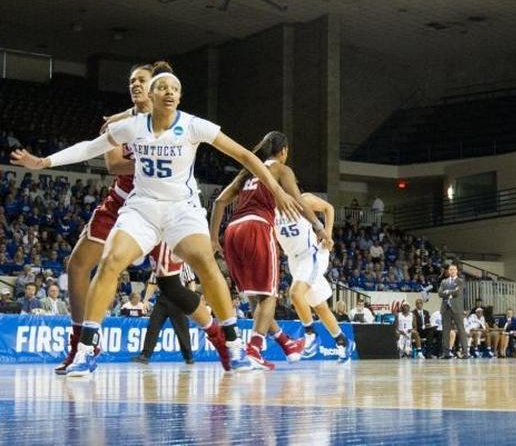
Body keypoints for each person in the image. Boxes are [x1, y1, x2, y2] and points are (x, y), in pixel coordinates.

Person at [9, 64, 309, 376]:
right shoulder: (130, 126)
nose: (168, 92)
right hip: (141, 208)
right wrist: (44, 161)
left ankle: (232, 344)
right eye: (160, 88)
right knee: (111, 261)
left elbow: (246, 156)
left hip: (182, 208)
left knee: (202, 261)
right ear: (152, 95)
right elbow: (91, 149)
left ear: (178, 97)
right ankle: (85, 349)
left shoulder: (193, 125)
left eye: (174, 89)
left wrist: (277, 189)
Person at [51, 62, 228, 374]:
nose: (136, 86)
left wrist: (164, 163)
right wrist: (156, 160)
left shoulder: (177, 123)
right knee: (78, 265)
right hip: (127, 202)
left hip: (171, 206)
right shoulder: (121, 125)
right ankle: (83, 342)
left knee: (172, 286)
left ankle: (220, 340)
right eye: (132, 81)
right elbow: (113, 165)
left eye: (142, 81)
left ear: (157, 89)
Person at [211, 130, 327, 370]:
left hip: (232, 231)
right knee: (269, 297)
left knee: (257, 298)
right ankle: (253, 349)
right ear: (283, 151)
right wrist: (318, 226)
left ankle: (286, 343)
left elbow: (219, 201)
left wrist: (213, 238)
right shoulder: (281, 170)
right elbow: (300, 201)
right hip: (257, 227)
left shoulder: (248, 171)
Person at [272, 188, 351, 362]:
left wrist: (327, 234)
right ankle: (342, 342)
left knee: (295, 293)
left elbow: (328, 208)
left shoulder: (303, 199)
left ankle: (310, 334)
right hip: (294, 260)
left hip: (312, 254)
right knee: (320, 306)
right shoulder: (270, 206)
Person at [134, 260, 195, 365]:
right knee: (153, 326)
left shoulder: (182, 263)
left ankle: (188, 356)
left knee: (182, 329)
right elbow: (152, 283)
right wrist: (145, 300)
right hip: (163, 298)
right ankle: (145, 355)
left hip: (179, 298)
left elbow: (191, 281)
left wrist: (190, 298)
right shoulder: (158, 264)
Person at [438, 263, 468, 358]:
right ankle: (446, 353)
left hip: (457, 309)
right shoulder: (444, 281)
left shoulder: (460, 281)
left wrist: (447, 292)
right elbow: (439, 293)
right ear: (448, 271)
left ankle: (465, 352)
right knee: (445, 331)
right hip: (446, 308)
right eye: (450, 269)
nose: (452, 271)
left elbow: (457, 292)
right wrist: (449, 293)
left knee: (461, 330)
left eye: (454, 269)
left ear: (457, 271)